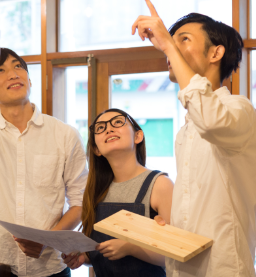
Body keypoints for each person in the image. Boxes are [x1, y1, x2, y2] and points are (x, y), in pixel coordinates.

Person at [132, 0, 256, 277]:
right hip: (183, 266)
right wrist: (173, 225)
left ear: (215, 53)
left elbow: (211, 120)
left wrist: (168, 46)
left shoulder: (240, 111)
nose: (172, 49)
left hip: (224, 267)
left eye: (184, 39)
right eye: (173, 40)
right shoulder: (186, 129)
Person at [0, 15, 88, 277]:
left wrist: (47, 239)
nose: (12, 73)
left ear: (30, 80)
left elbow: (80, 202)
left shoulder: (64, 134)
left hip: (48, 268)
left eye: (18, 67)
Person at [62, 108, 174, 277]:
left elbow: (173, 255)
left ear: (138, 136)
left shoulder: (160, 185)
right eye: (100, 128)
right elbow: (100, 250)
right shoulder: (95, 191)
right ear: (96, 149)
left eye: (117, 122)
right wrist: (84, 257)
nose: (108, 129)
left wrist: (131, 248)